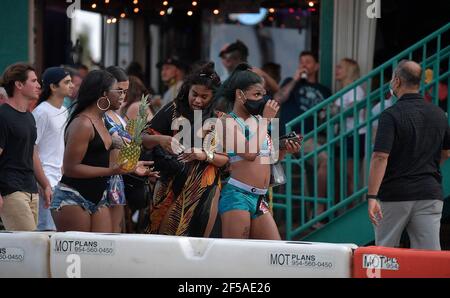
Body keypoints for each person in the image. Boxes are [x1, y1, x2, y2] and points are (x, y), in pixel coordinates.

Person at [50, 70, 152, 232]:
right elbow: (70, 168)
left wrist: (131, 167)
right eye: (117, 91)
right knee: (80, 256)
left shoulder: (102, 120)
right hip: (73, 198)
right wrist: (110, 170)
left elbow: (101, 160)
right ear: (103, 94)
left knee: (102, 252)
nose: (122, 95)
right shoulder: (83, 123)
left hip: (98, 197)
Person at [367, 60, 450, 250]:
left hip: (395, 194)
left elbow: (380, 157)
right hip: (430, 193)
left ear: (396, 81)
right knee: (429, 256)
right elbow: (446, 151)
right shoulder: (439, 113)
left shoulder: (391, 115)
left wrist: (372, 196)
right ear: (418, 82)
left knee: (386, 254)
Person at [142, 62, 228, 237]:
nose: (197, 100)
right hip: (170, 183)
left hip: (204, 188)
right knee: (161, 240)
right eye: (194, 94)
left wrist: (203, 155)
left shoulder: (220, 118)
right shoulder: (173, 110)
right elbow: (142, 139)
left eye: (204, 97)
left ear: (214, 97)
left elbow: (225, 159)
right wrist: (160, 139)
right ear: (187, 89)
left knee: (198, 243)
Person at [217, 63, 301, 240]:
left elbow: (268, 159)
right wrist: (267, 120)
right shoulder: (227, 122)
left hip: (259, 199)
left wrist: (285, 149)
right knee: (237, 256)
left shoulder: (258, 121)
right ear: (239, 95)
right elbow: (249, 153)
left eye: (263, 94)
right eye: (256, 94)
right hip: (237, 196)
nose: (262, 100)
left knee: (274, 251)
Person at [274, 51, 331, 222]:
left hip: (316, 137)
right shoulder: (291, 83)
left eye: (308, 61)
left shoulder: (324, 90)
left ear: (316, 66)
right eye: (301, 62)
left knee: (331, 162)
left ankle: (317, 211)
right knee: (325, 160)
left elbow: (327, 115)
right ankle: (319, 211)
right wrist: (295, 79)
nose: (304, 64)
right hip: (293, 136)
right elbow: (278, 98)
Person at [0, 63, 52, 231]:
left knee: (27, 248)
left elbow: (32, 153)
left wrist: (45, 184)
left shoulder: (29, 117)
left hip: (31, 190)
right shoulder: (3, 116)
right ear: (19, 85)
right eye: (34, 81)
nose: (38, 85)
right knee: (29, 247)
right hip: (11, 191)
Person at [33, 67, 73, 231]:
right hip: (45, 181)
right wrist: (43, 183)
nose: (72, 85)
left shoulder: (64, 111)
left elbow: (60, 147)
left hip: (59, 181)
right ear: (53, 86)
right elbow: (32, 148)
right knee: (46, 231)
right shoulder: (41, 111)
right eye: (67, 82)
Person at [334, 58, 366, 195]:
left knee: (350, 176)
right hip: (345, 136)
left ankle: (352, 210)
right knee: (344, 176)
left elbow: (353, 110)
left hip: (354, 136)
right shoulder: (345, 91)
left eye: (340, 67)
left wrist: (334, 109)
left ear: (349, 71)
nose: (336, 70)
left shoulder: (355, 90)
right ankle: (346, 209)